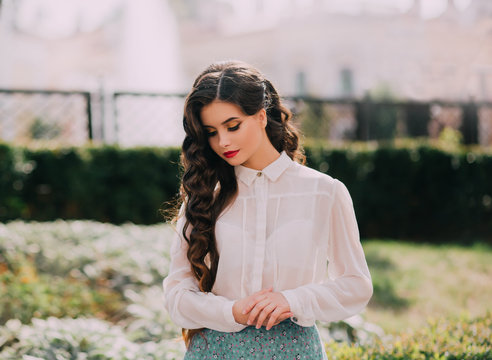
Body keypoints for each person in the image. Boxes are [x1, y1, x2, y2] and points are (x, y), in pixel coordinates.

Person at [162, 60, 373, 359]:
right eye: (211, 132)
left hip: (295, 351)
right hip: (213, 352)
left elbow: (356, 285)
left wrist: (293, 300)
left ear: (261, 116)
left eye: (233, 126)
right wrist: (231, 310)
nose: (223, 141)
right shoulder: (203, 197)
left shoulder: (324, 192)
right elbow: (175, 296)